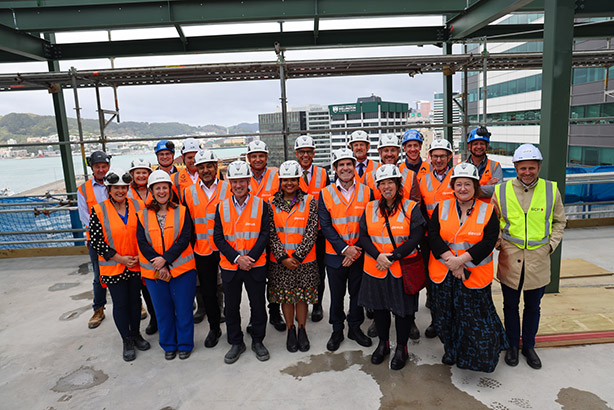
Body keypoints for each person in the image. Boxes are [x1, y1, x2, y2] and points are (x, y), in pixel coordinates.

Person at [428, 163, 508, 372]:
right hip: (444, 274)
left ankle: (475, 356)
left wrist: (461, 260)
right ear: (453, 186)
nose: (463, 188)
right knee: (445, 315)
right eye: (459, 184)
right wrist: (451, 261)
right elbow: (433, 236)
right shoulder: (442, 207)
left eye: (468, 184)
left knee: (474, 318)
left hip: (473, 275)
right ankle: (450, 349)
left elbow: (488, 241)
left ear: (475, 186)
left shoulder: (488, 210)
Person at [493, 144, 566, 370]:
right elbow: (493, 222)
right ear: (515, 167)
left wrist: (550, 246)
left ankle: (529, 346)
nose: (527, 172)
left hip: (538, 259)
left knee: (533, 307)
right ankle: (513, 345)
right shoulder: (501, 190)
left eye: (531, 168)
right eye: (523, 167)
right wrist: (498, 242)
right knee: (510, 305)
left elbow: (559, 222)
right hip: (510, 257)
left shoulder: (550, 190)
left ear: (539, 167)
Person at [359, 164, 425, 370]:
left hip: (401, 268)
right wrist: (378, 256)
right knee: (379, 310)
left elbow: (416, 237)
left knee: (402, 312)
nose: (387, 187)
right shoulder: (370, 208)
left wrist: (394, 256)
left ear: (398, 184)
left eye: (390, 182)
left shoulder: (411, 207)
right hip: (375, 268)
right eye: (383, 183)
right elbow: (363, 236)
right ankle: (384, 344)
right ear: (378, 186)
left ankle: (402, 348)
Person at [89, 167, 151, 361]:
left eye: (123, 187)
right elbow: (97, 242)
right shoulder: (99, 210)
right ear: (108, 189)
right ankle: (127, 340)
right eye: (115, 188)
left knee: (135, 302)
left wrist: (140, 257)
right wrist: (120, 258)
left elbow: (146, 234)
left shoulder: (137, 206)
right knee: (121, 304)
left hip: (135, 264)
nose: (120, 191)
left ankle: (136, 334)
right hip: (114, 267)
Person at [213, 160, 271, 364]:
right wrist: (238, 258)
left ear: (249, 182)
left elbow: (265, 235)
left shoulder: (261, 205)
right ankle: (236, 342)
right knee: (231, 306)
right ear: (229, 183)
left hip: (255, 265)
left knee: (257, 304)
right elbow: (218, 238)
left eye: (242, 181)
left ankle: (257, 340)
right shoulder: (221, 207)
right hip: (231, 266)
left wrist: (250, 258)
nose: (238, 185)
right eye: (234, 181)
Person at [136, 170, 197, 361]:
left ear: (170, 190)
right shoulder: (142, 215)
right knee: (163, 311)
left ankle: (185, 344)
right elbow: (142, 242)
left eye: (164, 187)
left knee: (184, 309)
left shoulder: (182, 211)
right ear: (151, 191)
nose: (161, 191)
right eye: (157, 188)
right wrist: (158, 263)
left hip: (182, 270)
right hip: (154, 273)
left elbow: (185, 237)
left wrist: (166, 259)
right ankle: (169, 345)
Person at [319, 148, 373, 351]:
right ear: (335, 168)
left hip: (359, 254)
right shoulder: (326, 193)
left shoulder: (366, 191)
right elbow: (325, 226)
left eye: (349, 164)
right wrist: (344, 249)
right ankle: (337, 329)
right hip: (335, 256)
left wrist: (355, 250)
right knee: (336, 294)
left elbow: (369, 224)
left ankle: (354, 327)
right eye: (341, 165)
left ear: (354, 166)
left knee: (357, 294)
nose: (345, 168)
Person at [268, 160, 319, 353]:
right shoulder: (271, 203)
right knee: (286, 297)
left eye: (293, 180)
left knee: (302, 297)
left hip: (304, 261)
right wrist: (283, 258)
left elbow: (312, 230)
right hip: (280, 262)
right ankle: (290, 329)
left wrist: (297, 256)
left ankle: (302, 328)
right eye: (285, 180)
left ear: (299, 181)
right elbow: (271, 233)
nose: (289, 183)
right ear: (280, 181)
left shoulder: (309, 201)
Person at [183, 150, 232, 349]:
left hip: (227, 248)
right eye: (201, 167)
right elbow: (188, 224)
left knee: (231, 291)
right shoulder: (189, 192)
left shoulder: (229, 188)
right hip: (202, 250)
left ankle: (234, 327)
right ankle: (214, 328)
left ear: (216, 167)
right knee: (209, 292)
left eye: (209, 166)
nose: (205, 170)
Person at [245, 140, 284, 332]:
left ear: (267, 157)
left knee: (274, 278)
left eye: (261, 155)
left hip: (275, 235)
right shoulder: (243, 177)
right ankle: (256, 316)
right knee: (256, 282)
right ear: (248, 158)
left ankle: (275, 313)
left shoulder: (276, 176)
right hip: (252, 237)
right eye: (254, 156)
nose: (258, 159)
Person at [419, 138, 456, 338]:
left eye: (443, 156)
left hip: (455, 237)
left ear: (450, 157)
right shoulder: (423, 180)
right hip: (431, 238)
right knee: (433, 280)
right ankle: (436, 320)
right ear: (430, 157)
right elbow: (421, 208)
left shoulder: (457, 176)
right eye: (435, 156)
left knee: (454, 280)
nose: (439, 159)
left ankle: (454, 320)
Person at [294, 135, 330, 323]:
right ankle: (300, 302)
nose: (305, 155)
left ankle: (317, 304)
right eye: (302, 152)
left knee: (319, 270)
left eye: (309, 152)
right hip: (297, 231)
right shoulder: (290, 172)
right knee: (299, 268)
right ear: (296, 153)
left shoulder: (323, 173)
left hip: (319, 231)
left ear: (314, 153)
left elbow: (328, 200)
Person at [77, 150, 110, 330]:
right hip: (96, 240)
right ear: (92, 168)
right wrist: (105, 232)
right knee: (99, 276)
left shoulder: (116, 183)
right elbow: (85, 216)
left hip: (120, 238)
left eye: (104, 166)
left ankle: (136, 302)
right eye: (97, 167)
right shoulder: (83, 190)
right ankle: (98, 309)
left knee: (129, 273)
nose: (101, 170)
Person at [127, 158, 157, 335]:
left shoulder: (156, 189)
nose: (141, 175)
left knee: (156, 283)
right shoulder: (127, 192)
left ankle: (160, 316)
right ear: (132, 175)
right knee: (144, 286)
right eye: (137, 172)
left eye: (144, 172)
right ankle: (153, 318)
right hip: (135, 242)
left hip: (156, 241)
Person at [363, 134, 421, 203]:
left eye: (393, 150)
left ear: (398, 151)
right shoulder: (369, 177)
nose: (389, 154)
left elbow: (416, 204)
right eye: (386, 151)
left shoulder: (410, 175)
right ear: (379, 152)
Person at [465, 127, 502, 202]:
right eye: (475, 144)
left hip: (488, 211)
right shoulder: (461, 166)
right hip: (467, 211)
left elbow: (497, 190)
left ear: (487, 146)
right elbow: (457, 191)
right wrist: (486, 185)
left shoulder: (494, 166)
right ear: (469, 146)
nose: (479, 147)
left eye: (482, 144)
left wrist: (469, 189)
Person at [171, 138, 201, 204]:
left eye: (195, 157)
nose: (193, 161)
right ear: (183, 158)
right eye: (190, 158)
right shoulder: (174, 178)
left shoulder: (215, 174)